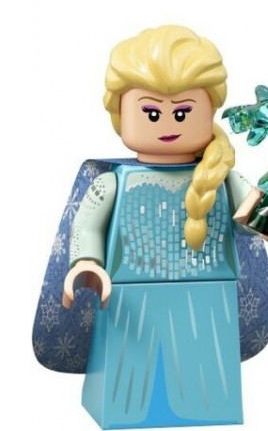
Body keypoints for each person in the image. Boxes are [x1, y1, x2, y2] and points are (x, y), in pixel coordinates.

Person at [62, 25, 250, 428]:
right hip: (128, 299)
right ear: (121, 114)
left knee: (206, 384)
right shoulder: (112, 182)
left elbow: (258, 221)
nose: (168, 122)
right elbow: (87, 228)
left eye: (182, 112)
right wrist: (87, 264)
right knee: (127, 385)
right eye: (151, 112)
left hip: (209, 296)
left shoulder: (221, 178)